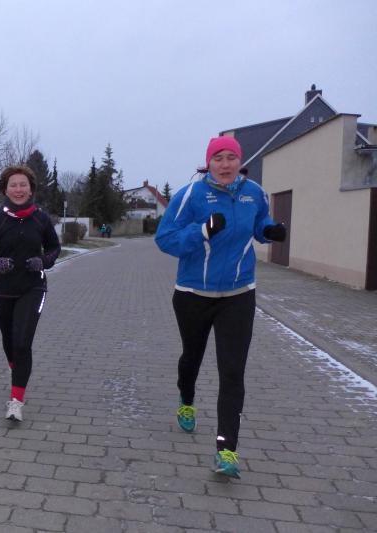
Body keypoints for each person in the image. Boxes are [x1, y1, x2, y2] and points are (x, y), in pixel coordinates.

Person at [154, 136, 286, 479]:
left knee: (232, 372)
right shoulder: (190, 195)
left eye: (231, 157)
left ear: (240, 161)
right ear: (208, 162)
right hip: (193, 294)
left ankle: (226, 450)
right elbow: (165, 239)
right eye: (219, 158)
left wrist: (270, 231)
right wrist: (202, 231)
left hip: (239, 294)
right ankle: (186, 400)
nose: (225, 164)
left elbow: (259, 223)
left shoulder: (254, 193)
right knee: (192, 358)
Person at [0, 165, 61, 422]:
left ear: (30, 189)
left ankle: (16, 401)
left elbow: (54, 248)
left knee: (22, 343)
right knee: (10, 341)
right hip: (0, 290)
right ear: (5, 190)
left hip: (33, 287)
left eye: (23, 185)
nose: (18, 189)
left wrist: (43, 261)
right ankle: (17, 369)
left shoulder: (41, 219)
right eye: (13, 185)